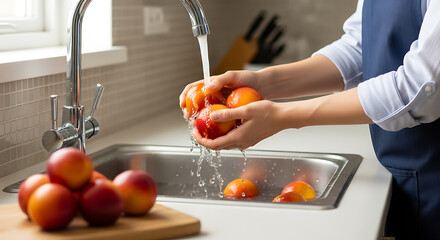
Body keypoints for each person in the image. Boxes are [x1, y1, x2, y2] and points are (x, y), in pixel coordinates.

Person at [179, 0, 440, 239]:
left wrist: (283, 117)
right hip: (409, 174)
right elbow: (360, 49)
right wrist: (262, 82)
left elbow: (423, 86)